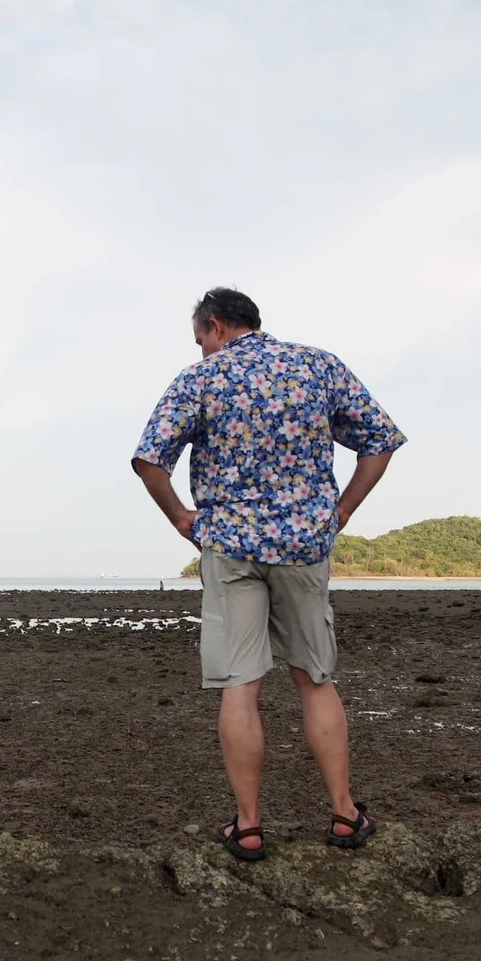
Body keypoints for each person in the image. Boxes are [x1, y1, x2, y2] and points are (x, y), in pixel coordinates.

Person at [131, 288, 406, 861]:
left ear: (215, 327)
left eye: (200, 339)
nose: (202, 349)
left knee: (241, 684)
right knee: (315, 678)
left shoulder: (200, 379)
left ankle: (250, 826)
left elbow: (148, 459)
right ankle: (343, 813)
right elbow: (379, 441)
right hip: (304, 543)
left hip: (229, 543)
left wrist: (182, 516)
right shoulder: (316, 365)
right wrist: (343, 510)